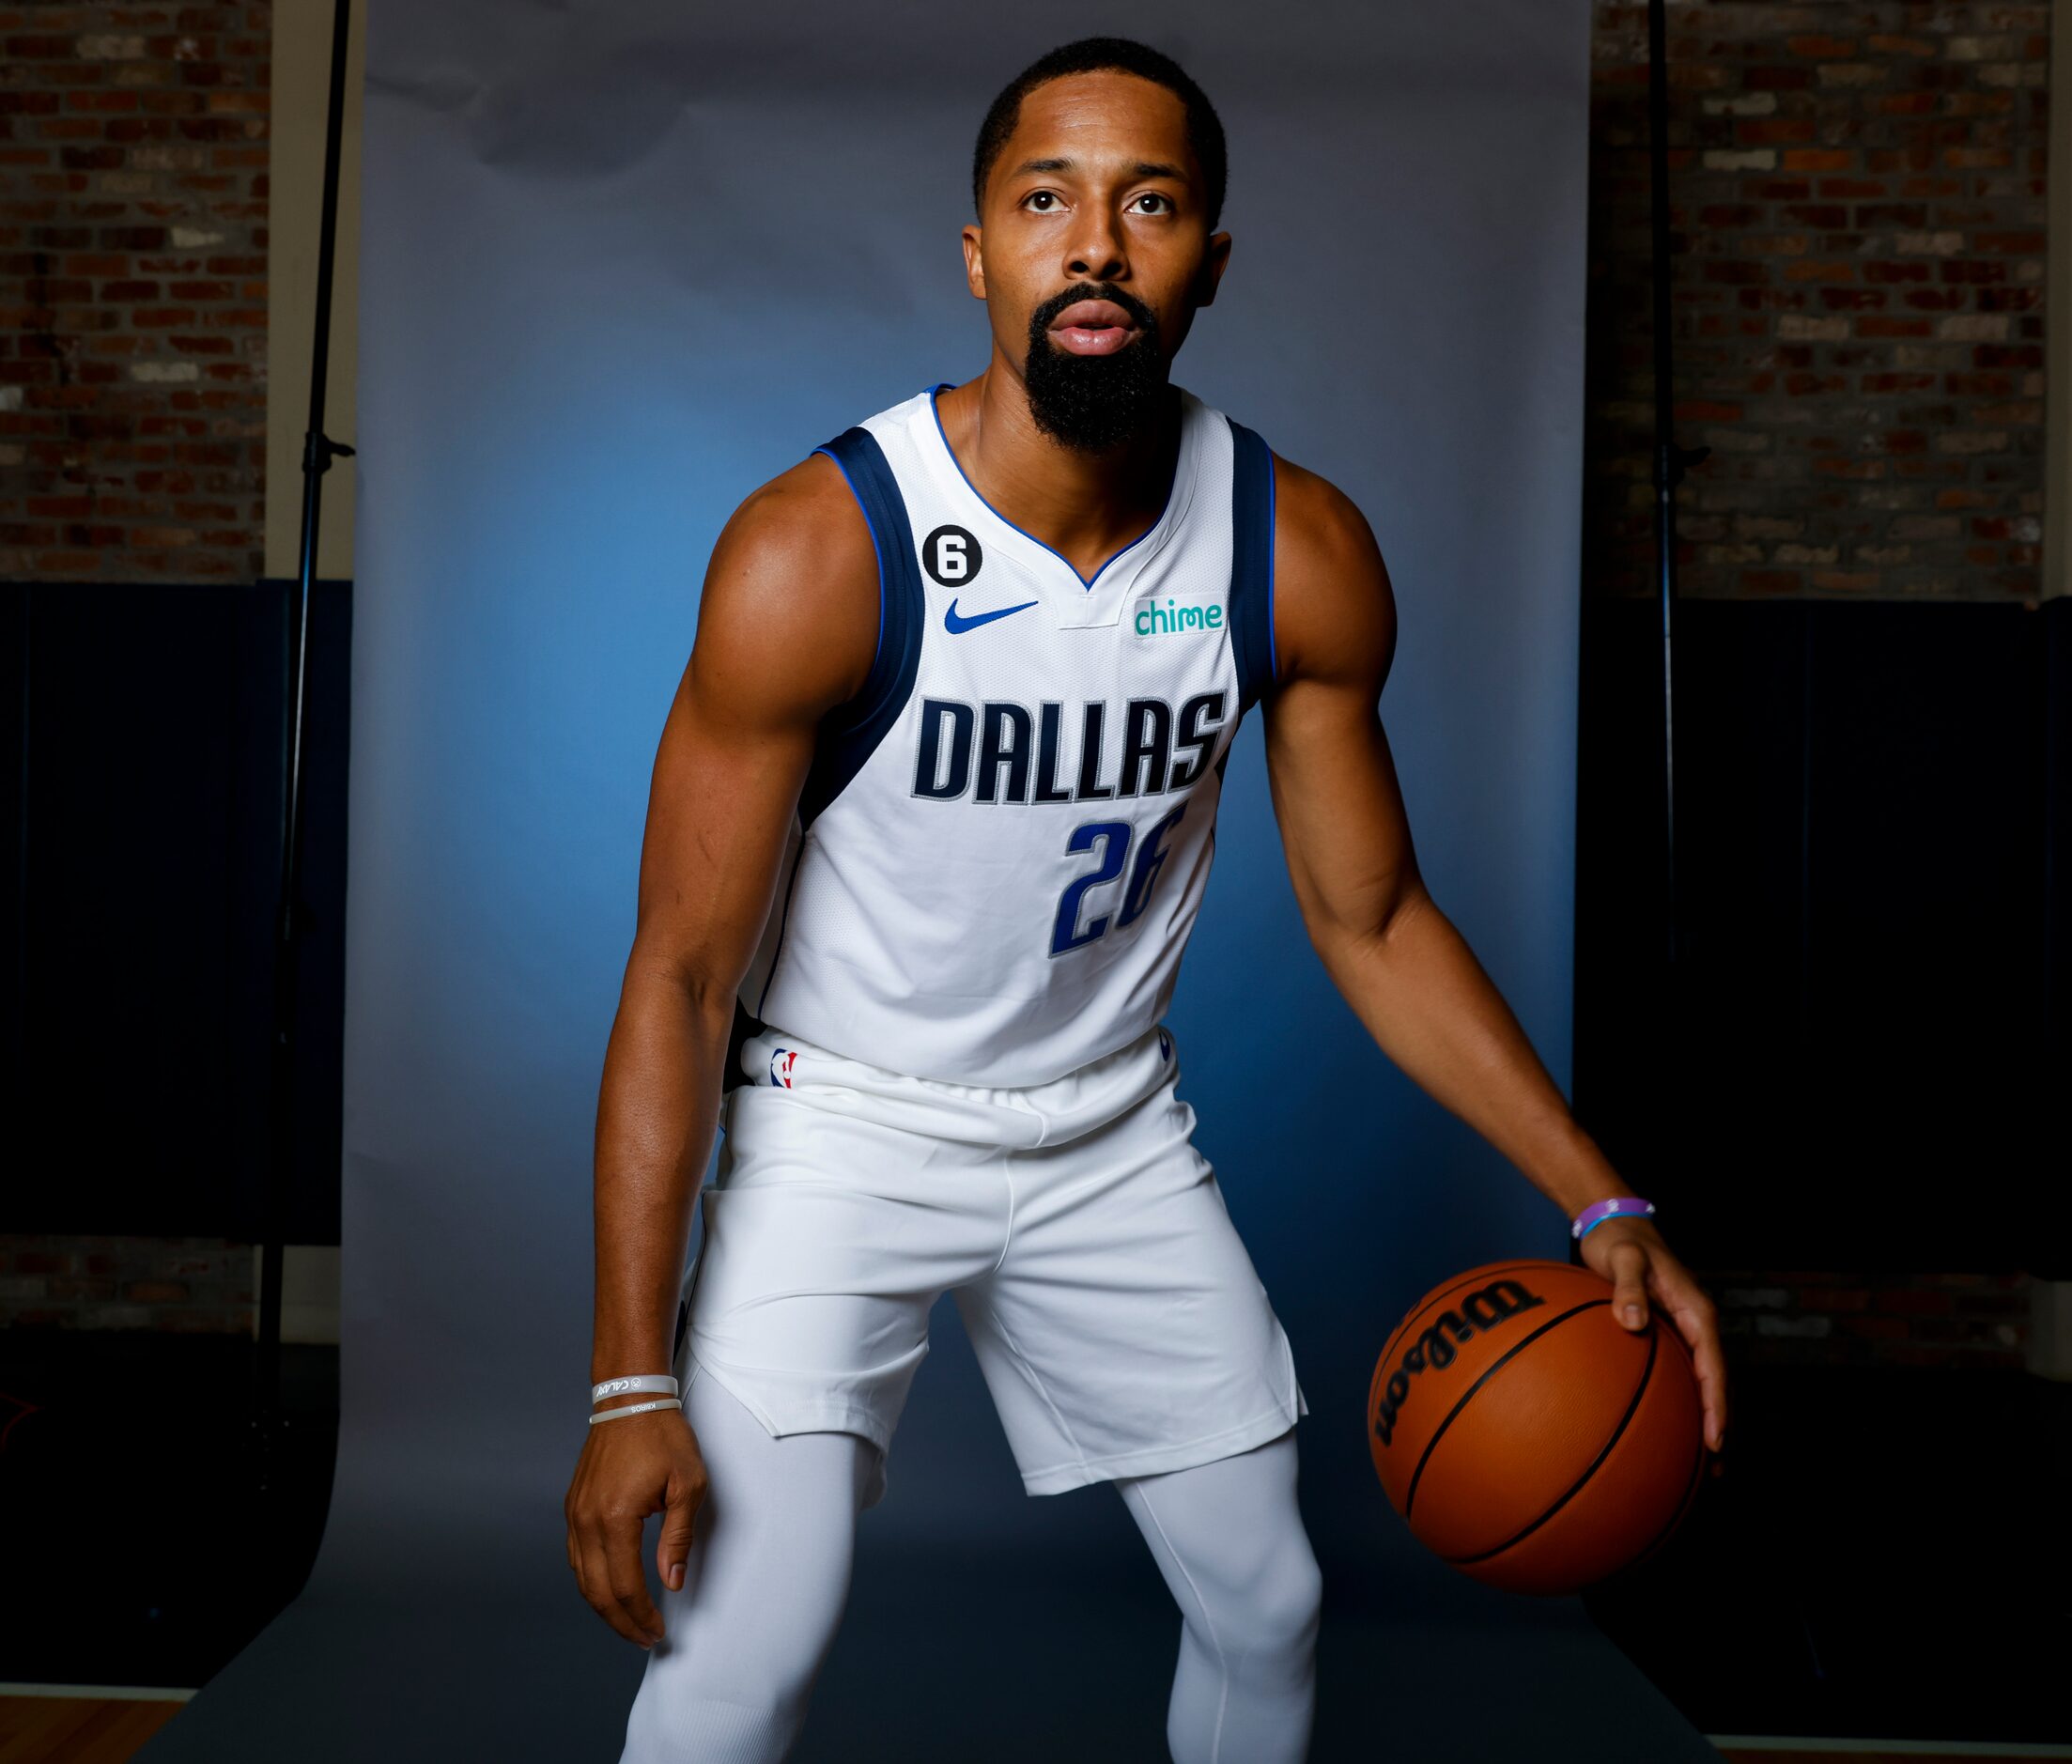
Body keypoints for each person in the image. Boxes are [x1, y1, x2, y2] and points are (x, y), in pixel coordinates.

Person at [564, 35, 1729, 1764]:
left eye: (1149, 203)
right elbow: (676, 981)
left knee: (1269, 1599)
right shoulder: (823, 549)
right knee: (749, 1638)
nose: (1094, 242)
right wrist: (627, 1380)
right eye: (1046, 201)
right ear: (981, 254)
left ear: (1209, 263)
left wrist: (1598, 1193)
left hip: (1107, 1133)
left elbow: (1376, 916)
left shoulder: (1292, 549)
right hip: (842, 1129)